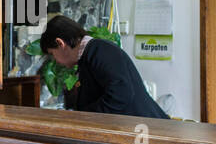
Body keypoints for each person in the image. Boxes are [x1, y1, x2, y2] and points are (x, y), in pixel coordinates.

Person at [40, 15, 168, 120]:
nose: (55, 61)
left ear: (60, 43)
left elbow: (121, 94)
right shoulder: (90, 54)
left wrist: (83, 117)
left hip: (146, 133)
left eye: (52, 54)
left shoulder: (99, 51)